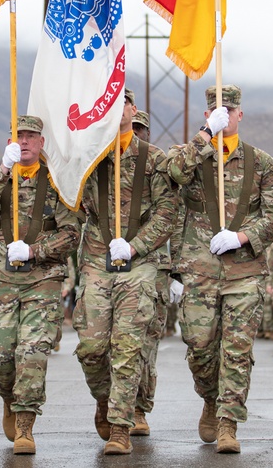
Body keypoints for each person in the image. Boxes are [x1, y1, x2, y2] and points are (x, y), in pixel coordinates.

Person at [167, 84, 273, 454]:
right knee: (200, 346)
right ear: (209, 116)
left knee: (237, 349)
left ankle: (228, 423)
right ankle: (210, 397)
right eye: (217, 112)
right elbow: (173, 173)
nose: (226, 116)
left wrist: (242, 236)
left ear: (240, 115)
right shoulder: (192, 154)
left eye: (231, 111)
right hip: (199, 270)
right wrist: (204, 137)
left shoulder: (262, 163)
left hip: (244, 270)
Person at [0, 115, 81, 455]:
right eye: (19, 136)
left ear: (42, 142)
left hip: (42, 280)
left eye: (32, 136)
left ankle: (25, 425)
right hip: (1, 280)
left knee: (31, 352)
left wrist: (36, 250)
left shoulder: (57, 181)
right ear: (9, 143)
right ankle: (10, 398)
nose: (26, 141)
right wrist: (3, 170)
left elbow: (71, 234)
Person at [74, 88, 177, 456]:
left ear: (133, 110)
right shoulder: (89, 155)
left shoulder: (154, 159)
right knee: (91, 347)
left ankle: (121, 424)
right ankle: (104, 398)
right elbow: (70, 196)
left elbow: (168, 212)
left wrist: (136, 245)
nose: (117, 108)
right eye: (110, 99)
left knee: (129, 345)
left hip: (140, 263)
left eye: (124, 101)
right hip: (97, 261)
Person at [127, 108, 173, 439]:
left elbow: (177, 219)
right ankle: (113, 405)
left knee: (145, 343)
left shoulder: (159, 171)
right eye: (132, 128)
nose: (136, 133)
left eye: (141, 129)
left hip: (156, 268)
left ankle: (139, 408)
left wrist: (181, 272)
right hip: (113, 268)